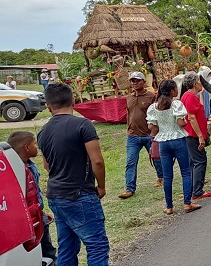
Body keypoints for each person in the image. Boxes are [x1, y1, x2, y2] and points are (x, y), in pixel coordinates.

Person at [36, 83, 109, 265]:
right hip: (80, 194)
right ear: (74, 101)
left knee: (67, 246)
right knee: (96, 245)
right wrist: (101, 186)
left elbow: (47, 165)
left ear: (48, 106)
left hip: (56, 195)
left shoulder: (43, 131)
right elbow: (97, 161)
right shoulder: (83, 125)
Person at [148, 80, 201, 215]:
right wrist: (185, 120)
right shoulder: (176, 104)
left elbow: (151, 126)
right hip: (178, 139)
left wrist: (162, 125)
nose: (178, 90)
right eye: (176, 89)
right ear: (172, 91)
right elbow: (180, 123)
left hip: (163, 142)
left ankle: (169, 206)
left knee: (167, 175)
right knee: (185, 172)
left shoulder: (154, 107)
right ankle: (187, 203)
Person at [8, 131, 58, 264]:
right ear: (26, 147)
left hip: (38, 216)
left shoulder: (31, 165)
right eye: (34, 144)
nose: (38, 147)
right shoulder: (14, 170)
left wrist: (41, 212)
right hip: (26, 220)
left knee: (48, 250)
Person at [119, 72, 164, 200]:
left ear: (143, 82)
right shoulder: (129, 97)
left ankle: (161, 177)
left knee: (156, 157)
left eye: (137, 80)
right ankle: (129, 188)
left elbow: (157, 114)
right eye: (132, 81)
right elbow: (129, 114)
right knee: (130, 162)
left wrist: (155, 131)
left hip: (149, 134)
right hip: (132, 136)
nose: (134, 83)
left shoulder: (151, 96)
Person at [180, 72, 211, 201]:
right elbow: (192, 117)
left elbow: (198, 109)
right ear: (195, 83)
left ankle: (194, 188)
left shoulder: (190, 96)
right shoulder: (189, 97)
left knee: (194, 161)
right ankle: (197, 191)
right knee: (200, 161)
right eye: (200, 82)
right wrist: (200, 136)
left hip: (191, 134)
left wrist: (201, 95)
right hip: (193, 135)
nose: (202, 84)